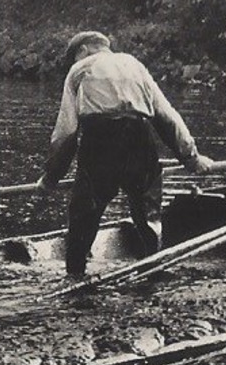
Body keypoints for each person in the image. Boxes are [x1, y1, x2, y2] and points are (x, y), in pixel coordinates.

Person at [37, 31, 214, 276]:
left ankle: (75, 277)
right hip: (140, 139)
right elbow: (165, 115)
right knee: (148, 216)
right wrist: (191, 158)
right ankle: (153, 270)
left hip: (101, 141)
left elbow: (66, 131)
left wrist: (51, 177)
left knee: (84, 216)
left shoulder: (79, 69)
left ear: (84, 50)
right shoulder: (134, 64)